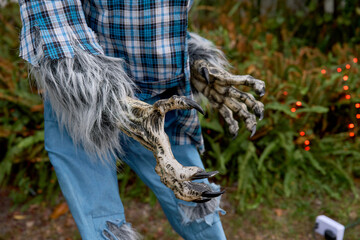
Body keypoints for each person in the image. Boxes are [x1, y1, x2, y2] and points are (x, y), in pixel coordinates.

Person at [18, 0, 265, 239]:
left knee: (200, 208)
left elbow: (162, 19)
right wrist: (99, 95)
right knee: (103, 226)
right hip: (82, 106)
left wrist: (193, 62)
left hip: (161, 101)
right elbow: (52, 19)